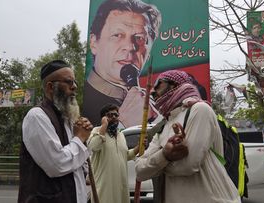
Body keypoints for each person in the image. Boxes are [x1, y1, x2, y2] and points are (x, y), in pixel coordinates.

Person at [135, 70, 241, 203]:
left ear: (174, 84)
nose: (153, 91)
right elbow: (140, 172)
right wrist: (165, 155)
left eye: (158, 85)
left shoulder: (200, 110)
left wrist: (157, 166)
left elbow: (188, 166)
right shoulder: (165, 126)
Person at [18, 60, 93, 203]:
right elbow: (57, 165)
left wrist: (84, 137)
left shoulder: (67, 119)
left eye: (75, 82)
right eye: (69, 82)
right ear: (51, 87)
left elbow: (77, 162)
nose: (75, 87)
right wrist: (79, 138)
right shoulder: (37, 116)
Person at [82, 0, 161, 127]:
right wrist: (123, 125)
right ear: (93, 42)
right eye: (117, 35)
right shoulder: (75, 99)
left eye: (139, 38)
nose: (130, 46)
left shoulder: (156, 105)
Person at [87, 103, 141, 203]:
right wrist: (104, 126)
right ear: (103, 117)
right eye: (110, 115)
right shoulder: (97, 131)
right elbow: (93, 147)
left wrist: (138, 147)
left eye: (116, 115)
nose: (114, 117)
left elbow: (125, 156)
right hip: (104, 186)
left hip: (120, 186)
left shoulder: (121, 135)